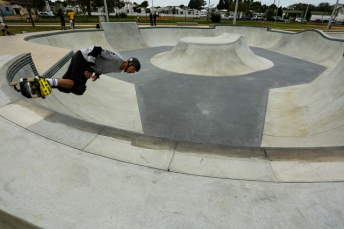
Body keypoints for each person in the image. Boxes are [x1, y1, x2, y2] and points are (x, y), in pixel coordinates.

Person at [46, 46, 141, 96]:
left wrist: (97, 74)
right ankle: (46, 82)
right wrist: (89, 68)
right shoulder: (117, 58)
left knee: (70, 88)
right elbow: (96, 49)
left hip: (83, 60)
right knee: (78, 86)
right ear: (131, 64)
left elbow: (105, 66)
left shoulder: (119, 69)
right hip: (83, 58)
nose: (134, 72)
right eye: (135, 70)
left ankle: (46, 84)